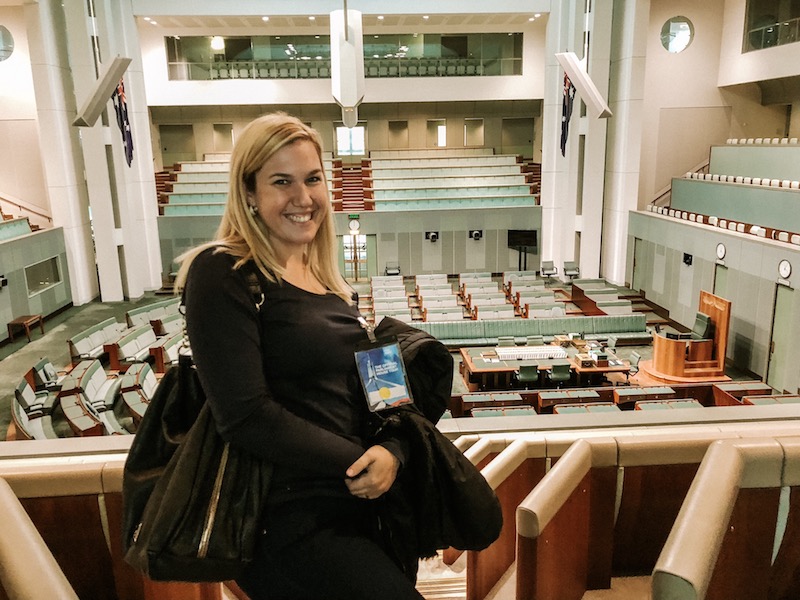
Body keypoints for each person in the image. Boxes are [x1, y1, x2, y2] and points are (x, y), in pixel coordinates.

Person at [175, 113, 423, 600]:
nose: (303, 198)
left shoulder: (327, 279)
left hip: (363, 501)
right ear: (249, 192)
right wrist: (363, 460)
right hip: (289, 514)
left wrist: (394, 448)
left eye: (312, 179)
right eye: (281, 181)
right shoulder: (222, 271)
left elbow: (378, 385)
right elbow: (246, 416)